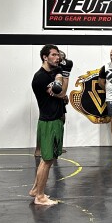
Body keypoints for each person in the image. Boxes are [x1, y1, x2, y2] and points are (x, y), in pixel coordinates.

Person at [30, 44, 64, 206]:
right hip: (49, 121)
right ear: (45, 57)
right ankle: (40, 197)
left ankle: (36, 189)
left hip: (53, 119)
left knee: (48, 159)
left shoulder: (49, 75)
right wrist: (62, 78)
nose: (57, 58)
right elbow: (62, 93)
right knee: (47, 160)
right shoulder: (41, 77)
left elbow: (62, 97)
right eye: (54, 55)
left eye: (58, 55)